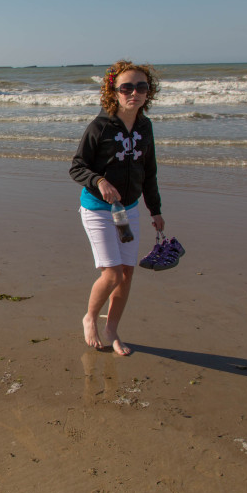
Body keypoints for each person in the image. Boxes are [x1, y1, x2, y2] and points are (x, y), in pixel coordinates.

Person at [69, 60, 165, 356]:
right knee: (111, 273)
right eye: (126, 87)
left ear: (148, 92)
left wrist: (155, 210)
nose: (134, 92)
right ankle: (89, 317)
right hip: (98, 209)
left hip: (128, 211)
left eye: (141, 86)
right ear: (114, 91)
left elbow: (149, 171)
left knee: (126, 273)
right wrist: (98, 181)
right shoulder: (99, 126)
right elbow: (77, 167)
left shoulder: (145, 126)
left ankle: (111, 328)